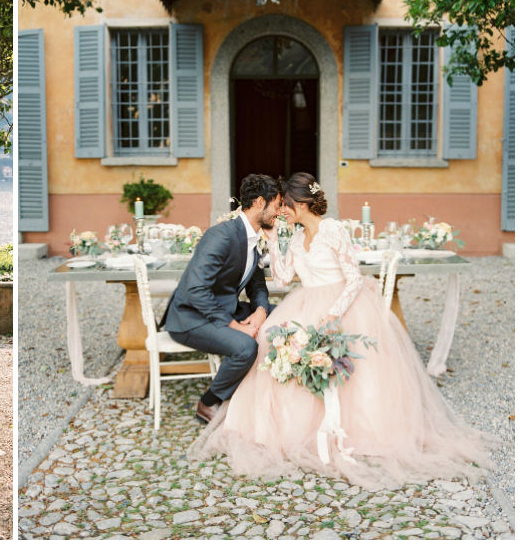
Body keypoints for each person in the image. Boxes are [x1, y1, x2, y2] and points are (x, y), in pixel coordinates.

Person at [190, 172, 496, 489]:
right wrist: (275, 241)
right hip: (305, 302)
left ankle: (354, 429)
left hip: (344, 305)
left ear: (302, 202)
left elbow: (353, 278)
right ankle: (284, 427)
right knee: (271, 341)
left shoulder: (333, 229)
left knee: (348, 362)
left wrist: (334, 315)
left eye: (287, 203)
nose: (282, 209)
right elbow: (281, 280)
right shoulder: (293, 236)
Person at [161, 174, 283, 424]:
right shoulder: (221, 235)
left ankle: (262, 393)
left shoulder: (252, 238)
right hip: (189, 317)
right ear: (260, 202)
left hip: (223, 308)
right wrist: (234, 326)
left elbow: (258, 286)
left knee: (280, 315)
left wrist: (260, 311)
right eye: (277, 205)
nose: (279, 212)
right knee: (245, 347)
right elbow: (196, 289)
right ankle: (208, 403)